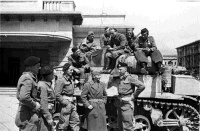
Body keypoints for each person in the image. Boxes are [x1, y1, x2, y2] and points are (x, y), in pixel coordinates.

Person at [115, 62, 145, 131]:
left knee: (127, 124)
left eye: (120, 69)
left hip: (127, 103)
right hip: (120, 102)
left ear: (125, 70)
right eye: (118, 69)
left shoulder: (130, 78)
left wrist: (133, 96)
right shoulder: (121, 78)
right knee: (120, 124)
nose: (119, 71)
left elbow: (142, 86)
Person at [15, 56, 41, 131]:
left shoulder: (30, 77)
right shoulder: (27, 78)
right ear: (31, 67)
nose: (39, 68)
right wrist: (35, 105)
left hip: (28, 113)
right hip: (28, 115)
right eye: (38, 66)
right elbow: (24, 97)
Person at [55, 63, 80, 131]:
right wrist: (65, 102)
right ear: (65, 70)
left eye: (72, 70)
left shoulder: (70, 79)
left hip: (72, 103)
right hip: (65, 105)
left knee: (75, 121)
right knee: (64, 124)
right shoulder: (61, 80)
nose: (72, 71)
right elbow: (57, 94)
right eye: (70, 70)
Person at [38, 66, 56, 131]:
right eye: (52, 74)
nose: (53, 76)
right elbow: (43, 103)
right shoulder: (43, 85)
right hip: (44, 114)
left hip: (49, 111)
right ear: (47, 75)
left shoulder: (47, 84)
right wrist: (48, 117)